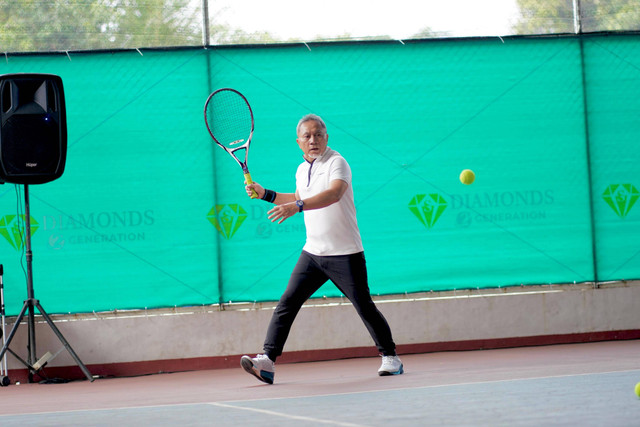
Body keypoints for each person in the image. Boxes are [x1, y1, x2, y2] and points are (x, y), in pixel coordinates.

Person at [240, 114, 403, 384]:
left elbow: (334, 193)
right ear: (299, 142)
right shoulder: (301, 169)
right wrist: (265, 193)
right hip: (313, 253)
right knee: (287, 303)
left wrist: (298, 206)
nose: (313, 140)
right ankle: (267, 361)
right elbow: (298, 196)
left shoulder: (337, 163)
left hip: (344, 252)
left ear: (327, 137)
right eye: (307, 136)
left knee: (363, 305)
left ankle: (391, 357)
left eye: (318, 134)